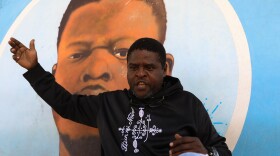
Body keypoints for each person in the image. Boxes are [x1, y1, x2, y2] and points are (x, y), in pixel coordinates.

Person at [9, 37, 231, 156]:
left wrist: (208, 154)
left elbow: (222, 151)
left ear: (164, 69)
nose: (140, 74)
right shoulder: (110, 104)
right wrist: (35, 70)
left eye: (149, 67)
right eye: (134, 67)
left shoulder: (188, 105)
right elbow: (67, 105)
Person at [53, 0, 174, 155]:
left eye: (123, 53)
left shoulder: (190, 110)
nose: (96, 70)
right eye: (77, 55)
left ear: (164, 72)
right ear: (53, 77)